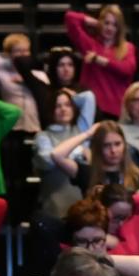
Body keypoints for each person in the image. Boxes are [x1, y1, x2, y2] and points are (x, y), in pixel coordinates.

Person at [32, 86, 97, 218]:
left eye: (67, 105)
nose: (63, 109)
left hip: (84, 202)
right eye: (57, 106)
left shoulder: (81, 129)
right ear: (51, 110)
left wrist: (70, 95)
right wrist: (78, 151)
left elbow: (89, 97)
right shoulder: (43, 136)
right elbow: (49, 161)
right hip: (55, 201)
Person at [63, 6, 137, 118]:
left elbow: (127, 69)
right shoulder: (90, 45)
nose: (109, 28)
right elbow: (70, 18)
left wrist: (100, 60)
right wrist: (94, 22)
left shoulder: (127, 48)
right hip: (91, 109)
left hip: (116, 110)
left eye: (114, 25)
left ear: (119, 28)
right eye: (106, 23)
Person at [51, 119, 139, 195]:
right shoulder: (87, 172)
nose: (113, 150)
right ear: (98, 148)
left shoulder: (136, 176)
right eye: (106, 145)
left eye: (117, 144)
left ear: (124, 144)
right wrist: (87, 134)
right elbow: (57, 155)